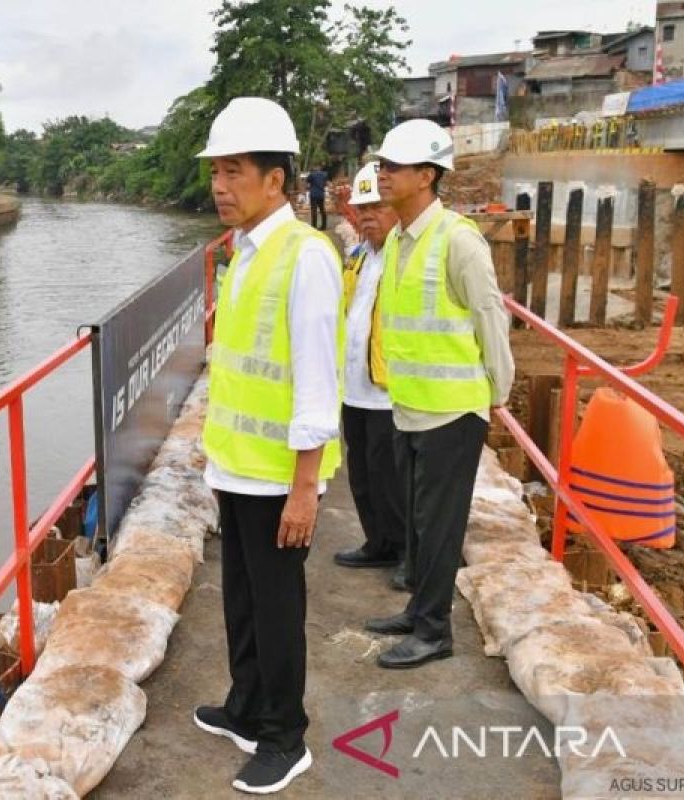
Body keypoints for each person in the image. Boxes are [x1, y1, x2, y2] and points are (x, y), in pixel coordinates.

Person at [192, 96, 344, 794]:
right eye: (215, 171)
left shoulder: (305, 256)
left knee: (278, 611)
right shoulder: (244, 251)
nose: (220, 185)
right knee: (242, 601)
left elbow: (316, 379)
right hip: (237, 469)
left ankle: (286, 736)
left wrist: (305, 486)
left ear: (276, 180)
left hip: (280, 477)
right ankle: (246, 707)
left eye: (235, 171)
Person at [362, 119, 514, 669]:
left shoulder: (457, 239)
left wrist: (499, 388)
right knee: (415, 519)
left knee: (439, 524)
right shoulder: (401, 238)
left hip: (452, 412)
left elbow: (488, 315)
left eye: (394, 167)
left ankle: (434, 631)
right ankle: (419, 609)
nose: (382, 174)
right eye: (382, 165)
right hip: (409, 407)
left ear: (427, 175)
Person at [332, 161, 408, 592]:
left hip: (387, 391)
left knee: (391, 478)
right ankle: (376, 541)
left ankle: (403, 552)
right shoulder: (360, 256)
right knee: (361, 472)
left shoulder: (403, 256)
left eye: (376, 206)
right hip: (355, 389)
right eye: (361, 208)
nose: (366, 216)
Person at [305, 163, 329, 231]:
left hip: (313, 195)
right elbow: (325, 183)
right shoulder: (324, 174)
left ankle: (314, 226)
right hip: (321, 194)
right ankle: (324, 226)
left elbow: (307, 181)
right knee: (322, 210)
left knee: (314, 211)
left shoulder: (312, 174)